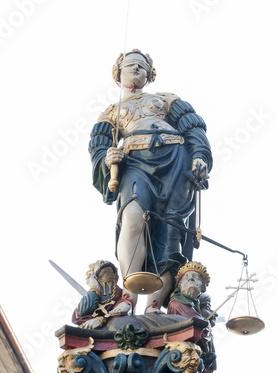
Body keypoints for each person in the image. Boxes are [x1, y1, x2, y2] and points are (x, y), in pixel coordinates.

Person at [89, 49, 213, 315]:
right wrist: (106, 158)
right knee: (132, 217)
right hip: (135, 165)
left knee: (170, 232)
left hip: (176, 164)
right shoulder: (110, 114)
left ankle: (154, 303)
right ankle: (129, 296)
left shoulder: (166, 100)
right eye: (130, 65)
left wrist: (199, 156)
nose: (135, 69)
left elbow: (193, 128)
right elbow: (98, 150)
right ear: (118, 73)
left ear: (150, 74)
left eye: (141, 66)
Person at [167, 261, 217, 368]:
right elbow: (194, 325)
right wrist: (207, 324)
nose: (190, 279)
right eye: (186, 277)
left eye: (195, 277)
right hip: (183, 355)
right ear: (179, 286)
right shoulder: (177, 304)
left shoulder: (196, 306)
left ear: (202, 288)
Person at [72, 260, 124, 329]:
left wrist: (102, 319)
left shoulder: (122, 293)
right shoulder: (92, 293)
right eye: (98, 263)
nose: (102, 262)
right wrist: (94, 288)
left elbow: (123, 309)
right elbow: (82, 312)